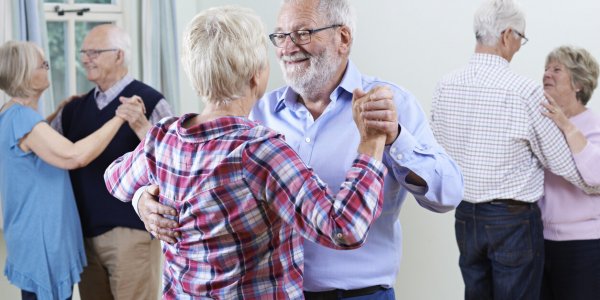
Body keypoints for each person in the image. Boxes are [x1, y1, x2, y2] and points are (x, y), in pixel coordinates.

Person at [135, 0, 464, 299]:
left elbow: (447, 194)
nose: (287, 47)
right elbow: (178, 172)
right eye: (279, 36)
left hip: (359, 295)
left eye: (302, 33)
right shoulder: (254, 113)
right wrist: (144, 201)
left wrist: (395, 139)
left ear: (343, 38)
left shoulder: (389, 106)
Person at [104, 6, 389, 298]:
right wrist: (370, 143)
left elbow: (114, 178)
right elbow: (344, 228)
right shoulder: (259, 152)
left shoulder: (162, 137)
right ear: (256, 76)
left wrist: (140, 199)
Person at [430, 1, 600, 299]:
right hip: (512, 220)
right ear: (507, 35)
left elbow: (438, 150)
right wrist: (590, 184)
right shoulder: (523, 91)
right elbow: (562, 162)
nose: (520, 45)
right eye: (521, 37)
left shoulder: (446, 85)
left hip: (466, 215)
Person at [49, 24, 173, 300]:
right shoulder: (73, 108)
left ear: (119, 55)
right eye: (83, 52)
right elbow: (43, 150)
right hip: (82, 235)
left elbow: (172, 161)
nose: (84, 58)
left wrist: (140, 124)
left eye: (93, 52)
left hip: (131, 234)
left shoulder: (152, 101)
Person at [0, 41, 126, 300]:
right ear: (25, 74)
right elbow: (74, 156)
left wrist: (58, 111)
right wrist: (120, 118)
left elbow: (33, 146)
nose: (47, 68)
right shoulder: (24, 119)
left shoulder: (10, 113)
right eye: (43, 64)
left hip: (30, 231)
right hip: (42, 236)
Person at [538, 46, 600, 300]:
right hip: (541, 241)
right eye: (546, 69)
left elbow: (596, 175)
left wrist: (565, 124)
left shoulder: (593, 123)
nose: (546, 75)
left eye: (556, 69)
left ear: (578, 83)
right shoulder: (543, 121)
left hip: (584, 245)